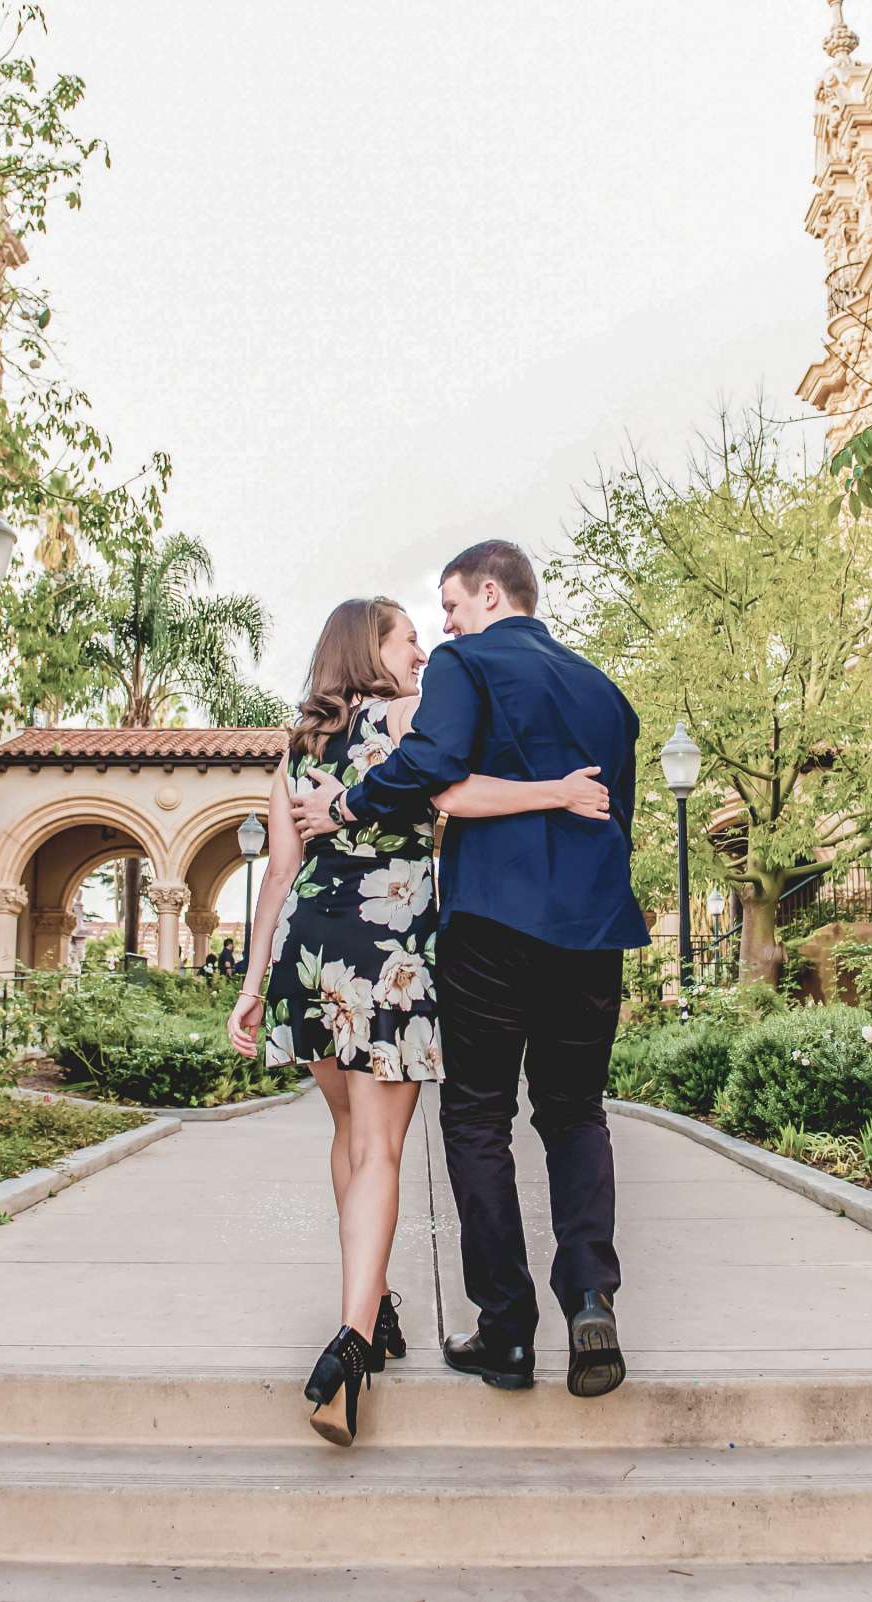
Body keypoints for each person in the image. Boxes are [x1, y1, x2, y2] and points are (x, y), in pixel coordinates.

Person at [229, 595, 609, 1445]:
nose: (423, 654)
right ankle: (353, 1343)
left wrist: (251, 985)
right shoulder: (406, 716)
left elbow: (277, 878)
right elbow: (459, 795)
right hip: (385, 951)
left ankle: (380, 1308)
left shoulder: (298, 751)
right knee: (381, 1149)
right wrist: (556, 791)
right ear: (373, 649)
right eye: (409, 640)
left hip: (309, 951)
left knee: (347, 1140)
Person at [288, 541, 646, 1402]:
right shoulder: (609, 694)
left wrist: (346, 803)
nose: (442, 623)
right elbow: (619, 818)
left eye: (449, 604)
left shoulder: (465, 663)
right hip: (592, 933)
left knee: (479, 1121)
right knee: (575, 1114)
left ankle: (507, 1332)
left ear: (491, 592)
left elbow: (435, 767)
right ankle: (591, 1297)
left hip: (492, 924)